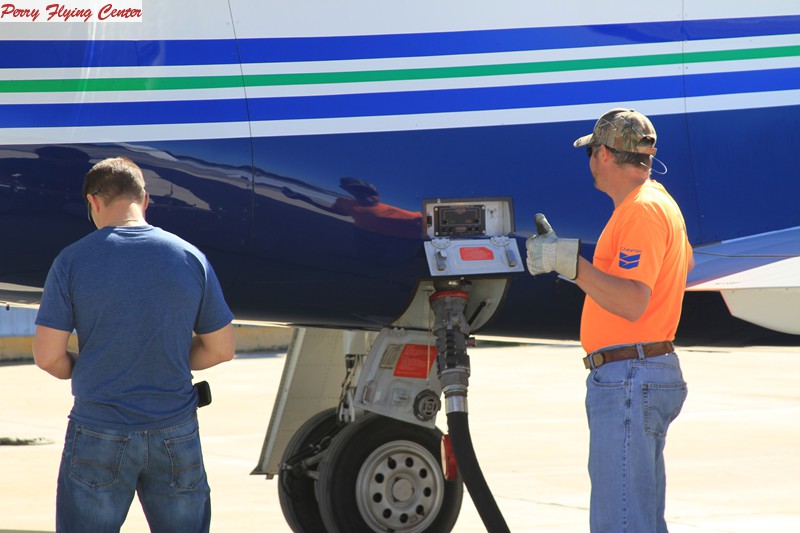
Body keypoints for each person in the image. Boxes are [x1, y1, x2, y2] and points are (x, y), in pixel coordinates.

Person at [32, 157, 235, 533]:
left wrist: (95, 363)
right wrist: (168, 358)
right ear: (145, 199)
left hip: (98, 430)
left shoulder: (72, 261)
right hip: (176, 431)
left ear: (93, 202)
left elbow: (47, 357)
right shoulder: (190, 257)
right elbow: (221, 348)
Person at [526, 108, 694, 532]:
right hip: (639, 372)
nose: (589, 165)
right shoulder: (657, 205)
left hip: (628, 378)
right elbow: (680, 267)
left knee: (621, 523)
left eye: (590, 153)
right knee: (638, 520)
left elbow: (635, 301)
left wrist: (570, 264)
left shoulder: (641, 210)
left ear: (602, 153)